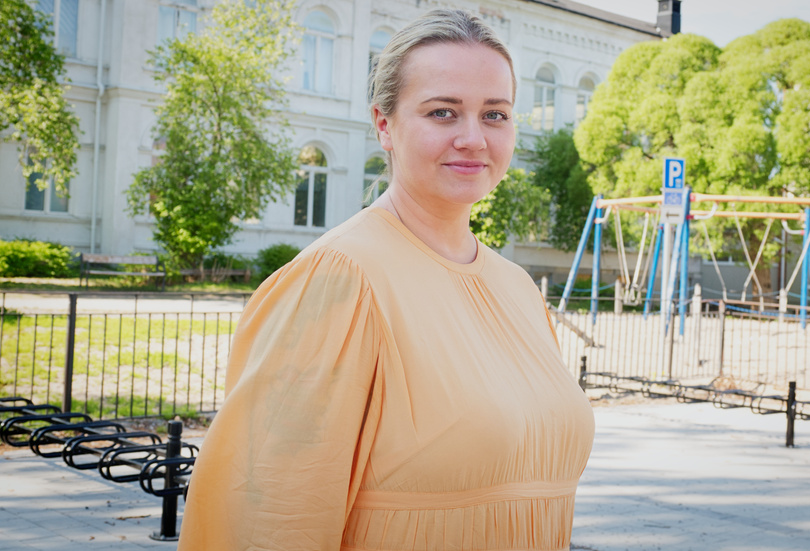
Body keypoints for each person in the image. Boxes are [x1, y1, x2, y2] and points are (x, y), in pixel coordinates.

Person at [178, 8, 594, 550]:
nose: (473, 138)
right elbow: (271, 514)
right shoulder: (340, 278)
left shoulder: (516, 288)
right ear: (383, 125)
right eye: (443, 112)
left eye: (495, 114)